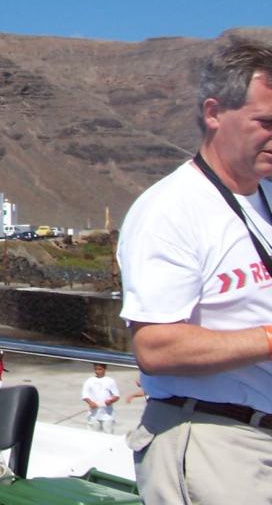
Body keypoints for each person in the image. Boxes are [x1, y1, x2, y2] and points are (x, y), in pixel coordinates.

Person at [118, 37, 272, 505]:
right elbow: (155, 347)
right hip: (215, 442)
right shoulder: (170, 210)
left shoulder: (264, 196)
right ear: (213, 113)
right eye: (265, 122)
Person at [82, 363, 120, 433]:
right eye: (96, 369)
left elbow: (116, 396)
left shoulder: (110, 381)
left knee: (108, 436)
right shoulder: (89, 380)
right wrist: (90, 403)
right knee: (92, 436)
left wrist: (111, 401)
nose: (97, 371)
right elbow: (85, 395)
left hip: (107, 415)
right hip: (93, 415)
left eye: (99, 369)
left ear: (104, 369)